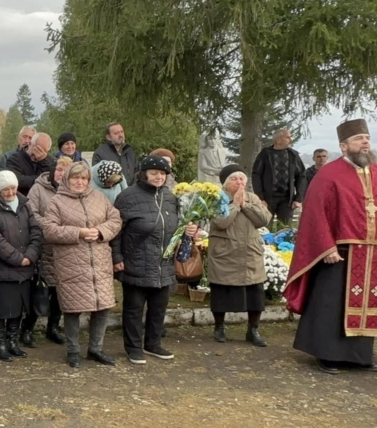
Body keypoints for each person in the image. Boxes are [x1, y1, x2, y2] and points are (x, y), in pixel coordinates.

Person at [285, 119, 377, 374]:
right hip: (338, 255)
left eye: (367, 138)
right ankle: (327, 354)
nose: (365, 142)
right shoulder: (328, 175)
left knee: (368, 304)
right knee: (332, 305)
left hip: (374, 255)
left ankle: (359, 356)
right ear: (344, 146)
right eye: (358, 139)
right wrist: (326, 247)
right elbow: (315, 214)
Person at [114, 156, 198, 365]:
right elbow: (116, 231)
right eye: (154, 173)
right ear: (144, 174)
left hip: (163, 263)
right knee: (133, 308)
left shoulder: (171, 197)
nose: (159, 177)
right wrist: (116, 257)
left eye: (162, 173)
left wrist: (189, 231)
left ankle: (153, 343)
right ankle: (133, 347)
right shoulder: (127, 197)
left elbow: (178, 227)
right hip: (136, 260)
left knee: (159, 307)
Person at [41, 163, 122, 368]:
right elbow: (49, 230)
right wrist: (78, 233)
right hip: (72, 265)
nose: (80, 182)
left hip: (100, 263)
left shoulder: (99, 198)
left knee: (102, 308)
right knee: (72, 310)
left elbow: (115, 219)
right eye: (75, 178)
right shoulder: (57, 202)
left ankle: (96, 348)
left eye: (84, 178)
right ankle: (73, 350)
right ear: (67, 179)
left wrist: (101, 231)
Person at [207, 165, 272, 347]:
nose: (239, 182)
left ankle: (253, 330)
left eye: (242, 178)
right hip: (225, 253)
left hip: (250, 252)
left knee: (255, 295)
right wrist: (235, 204)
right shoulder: (216, 198)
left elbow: (263, 220)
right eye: (234, 179)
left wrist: (245, 204)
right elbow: (220, 222)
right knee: (221, 293)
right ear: (226, 183)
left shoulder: (252, 198)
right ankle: (219, 327)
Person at [0, 171, 43, 361]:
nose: (10, 192)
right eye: (5, 189)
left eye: (13, 188)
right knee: (1, 309)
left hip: (25, 268)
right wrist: (18, 258)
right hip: (2, 269)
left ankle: (13, 341)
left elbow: (36, 231)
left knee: (18, 308)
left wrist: (30, 255)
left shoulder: (26, 206)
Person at [23, 156, 72, 347]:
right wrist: (52, 228)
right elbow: (31, 213)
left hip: (64, 250)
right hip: (43, 247)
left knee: (60, 294)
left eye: (66, 171)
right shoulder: (38, 188)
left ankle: (53, 327)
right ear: (53, 171)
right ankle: (27, 329)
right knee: (38, 292)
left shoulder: (73, 192)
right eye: (59, 169)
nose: (61, 173)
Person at [252, 129, 306, 224]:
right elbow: (256, 175)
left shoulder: (293, 155)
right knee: (265, 227)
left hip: (287, 200)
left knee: (285, 229)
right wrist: (260, 198)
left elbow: (301, 176)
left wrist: (298, 199)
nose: (291, 139)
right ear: (278, 140)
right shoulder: (265, 154)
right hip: (268, 199)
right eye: (288, 137)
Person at [6, 131, 54, 196]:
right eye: (37, 149)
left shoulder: (50, 161)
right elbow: (17, 180)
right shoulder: (14, 159)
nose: (39, 153)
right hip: (22, 199)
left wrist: (43, 161)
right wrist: (40, 180)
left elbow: (50, 180)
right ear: (30, 144)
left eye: (43, 151)